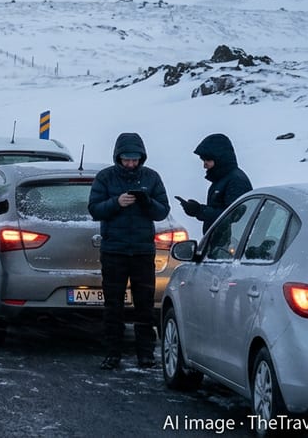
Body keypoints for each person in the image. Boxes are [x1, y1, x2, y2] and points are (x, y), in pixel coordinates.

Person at [87, 132, 170, 370]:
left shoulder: (151, 177)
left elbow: (162, 210)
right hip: (114, 251)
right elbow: (94, 209)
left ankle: (145, 353)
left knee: (144, 305)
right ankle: (113, 353)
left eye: (135, 159)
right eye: (126, 159)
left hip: (143, 251)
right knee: (113, 305)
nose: (131, 164)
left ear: (141, 158)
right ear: (118, 157)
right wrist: (116, 203)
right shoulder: (105, 178)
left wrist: (147, 202)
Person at [176, 133, 253, 235]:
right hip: (220, 243)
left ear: (220, 158)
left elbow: (234, 216)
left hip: (230, 244)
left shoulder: (236, 181)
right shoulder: (222, 179)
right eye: (203, 160)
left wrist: (199, 210)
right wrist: (197, 209)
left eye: (208, 160)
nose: (204, 165)